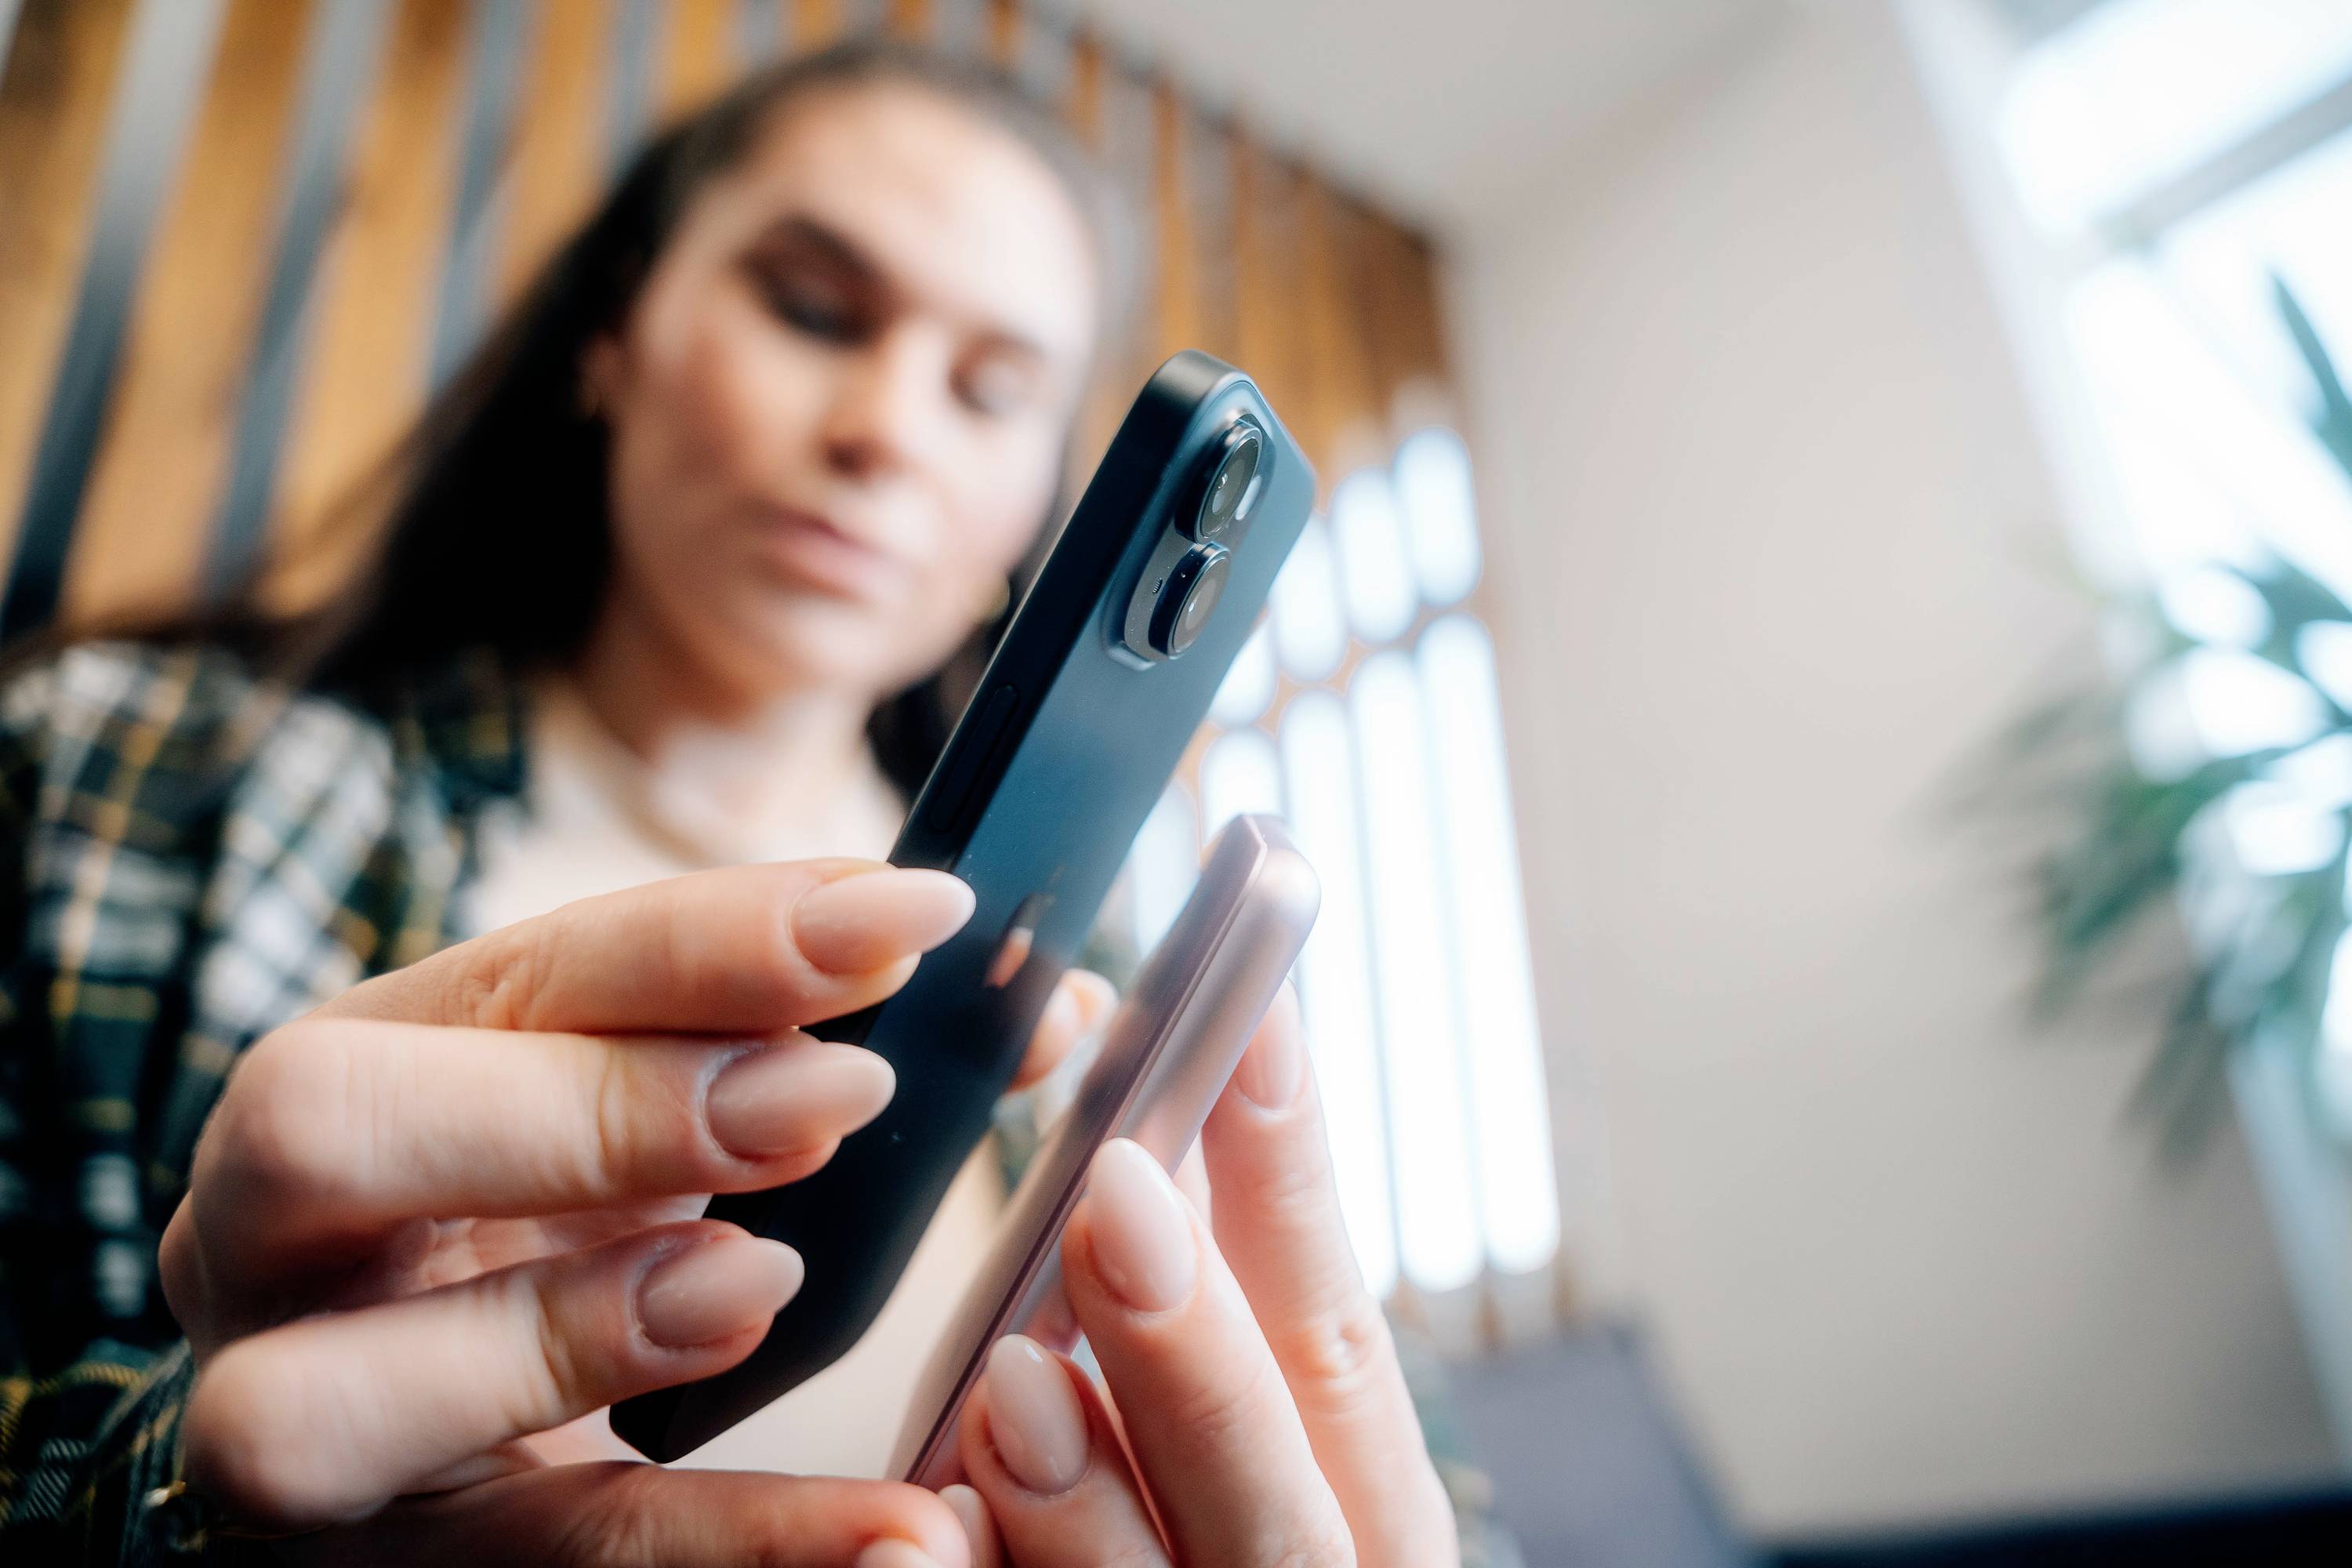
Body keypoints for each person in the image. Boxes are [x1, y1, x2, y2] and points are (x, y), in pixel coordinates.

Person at [0, 42, 1467, 1568]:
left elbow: (1422, 1488)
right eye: (812, 307)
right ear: (617, 333)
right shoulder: (116, 781)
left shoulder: (1120, 1013)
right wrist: (164, 1493)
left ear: (1035, 508)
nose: (886, 428)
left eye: (989, 390)